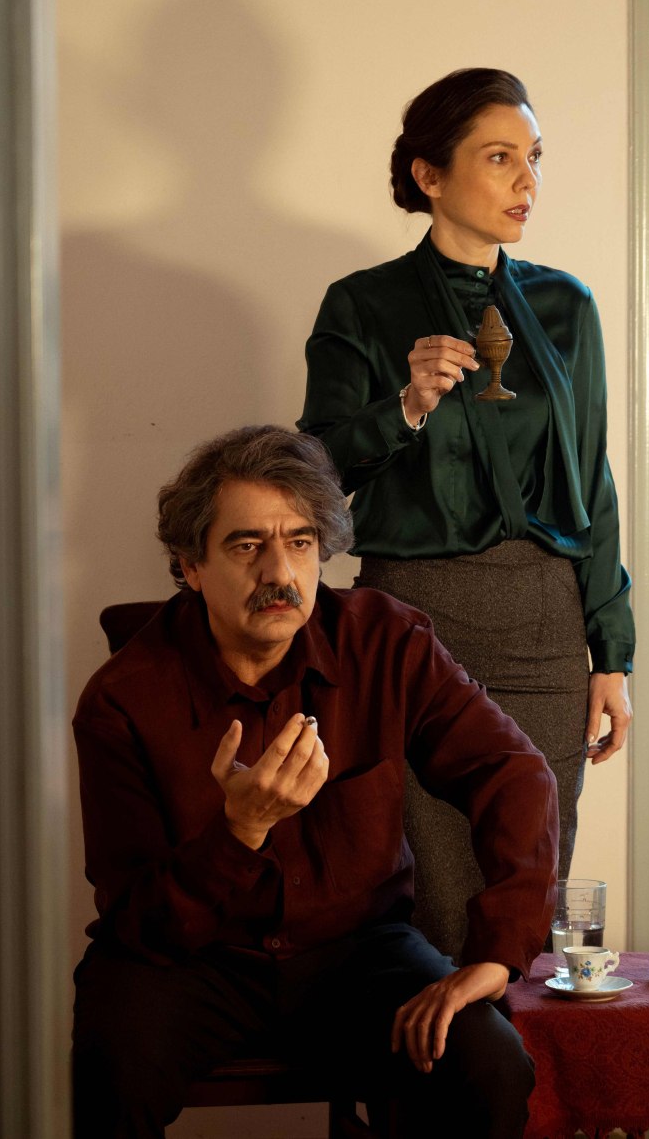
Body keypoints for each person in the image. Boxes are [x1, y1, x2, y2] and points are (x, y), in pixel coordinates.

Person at [71, 424, 558, 1139]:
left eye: (299, 542)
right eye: (247, 546)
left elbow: (513, 772)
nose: (281, 573)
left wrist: (496, 956)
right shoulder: (122, 698)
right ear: (191, 566)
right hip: (187, 960)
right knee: (111, 1070)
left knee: (489, 1063)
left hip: (359, 955)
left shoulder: (385, 642)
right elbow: (137, 918)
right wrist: (238, 833)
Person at [298, 68, 634, 941]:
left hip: (545, 627)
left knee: (528, 895)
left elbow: (590, 481)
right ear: (430, 175)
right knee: (435, 901)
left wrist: (611, 652)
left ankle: (508, 1038)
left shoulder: (566, 306)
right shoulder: (362, 304)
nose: (528, 181)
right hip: (417, 621)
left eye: (535, 157)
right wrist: (406, 406)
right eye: (499, 157)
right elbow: (312, 473)